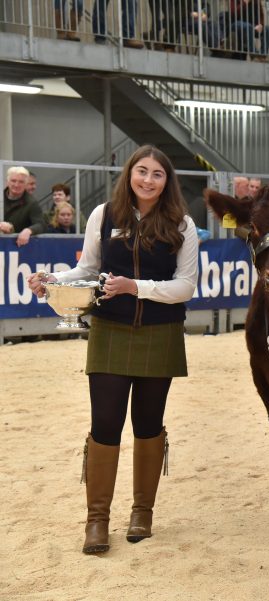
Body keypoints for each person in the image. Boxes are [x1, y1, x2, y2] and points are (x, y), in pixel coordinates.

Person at [27, 145, 199, 555]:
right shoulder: (103, 215)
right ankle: (97, 521)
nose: (148, 180)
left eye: (158, 174)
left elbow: (186, 286)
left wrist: (134, 286)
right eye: (142, 171)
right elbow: (87, 269)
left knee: (147, 423)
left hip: (161, 334)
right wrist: (53, 280)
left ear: (167, 181)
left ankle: (142, 512)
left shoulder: (183, 224)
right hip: (109, 330)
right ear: (129, 173)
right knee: (105, 424)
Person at [2, 166, 45, 247]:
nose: (16, 185)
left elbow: (41, 224)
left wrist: (29, 230)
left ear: (26, 184)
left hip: (19, 248)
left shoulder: (32, 203)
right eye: (13, 181)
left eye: (21, 182)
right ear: (7, 182)